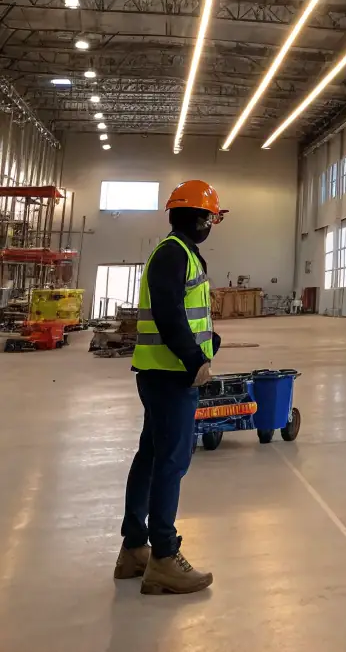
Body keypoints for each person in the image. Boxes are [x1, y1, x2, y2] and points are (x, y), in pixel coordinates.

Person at [113, 179, 226, 595]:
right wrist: (195, 359)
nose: (213, 224)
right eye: (212, 217)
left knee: (151, 455)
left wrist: (208, 342)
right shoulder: (174, 254)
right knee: (172, 462)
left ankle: (134, 549)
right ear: (199, 218)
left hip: (161, 372)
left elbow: (187, 312)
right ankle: (163, 556)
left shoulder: (181, 255)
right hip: (171, 376)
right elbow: (167, 311)